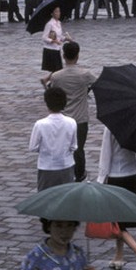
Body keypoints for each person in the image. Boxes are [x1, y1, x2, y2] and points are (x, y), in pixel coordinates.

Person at [96, 126, 136, 270]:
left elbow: (105, 155)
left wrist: (100, 180)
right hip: (132, 175)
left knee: (116, 223)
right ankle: (119, 256)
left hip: (116, 177)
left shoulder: (110, 128)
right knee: (120, 220)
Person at [44, 41, 95, 182]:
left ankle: (65, 173)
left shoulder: (56, 76)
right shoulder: (85, 75)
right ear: (78, 56)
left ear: (63, 56)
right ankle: (80, 176)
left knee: (63, 148)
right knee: (79, 150)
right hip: (80, 119)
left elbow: (53, 94)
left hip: (63, 117)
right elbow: (99, 84)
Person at [29, 86, 78, 190]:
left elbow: (33, 147)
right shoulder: (71, 122)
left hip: (46, 166)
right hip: (66, 165)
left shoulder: (40, 124)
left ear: (47, 102)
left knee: (45, 197)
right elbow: (74, 146)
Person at [41, 6, 70, 72]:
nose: (58, 13)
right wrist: (53, 41)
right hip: (50, 50)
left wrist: (66, 38)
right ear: (52, 14)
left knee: (57, 70)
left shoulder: (59, 23)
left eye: (59, 11)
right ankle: (47, 80)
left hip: (57, 49)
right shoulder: (49, 24)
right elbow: (44, 37)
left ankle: (46, 80)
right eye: (56, 11)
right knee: (56, 70)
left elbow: (59, 37)